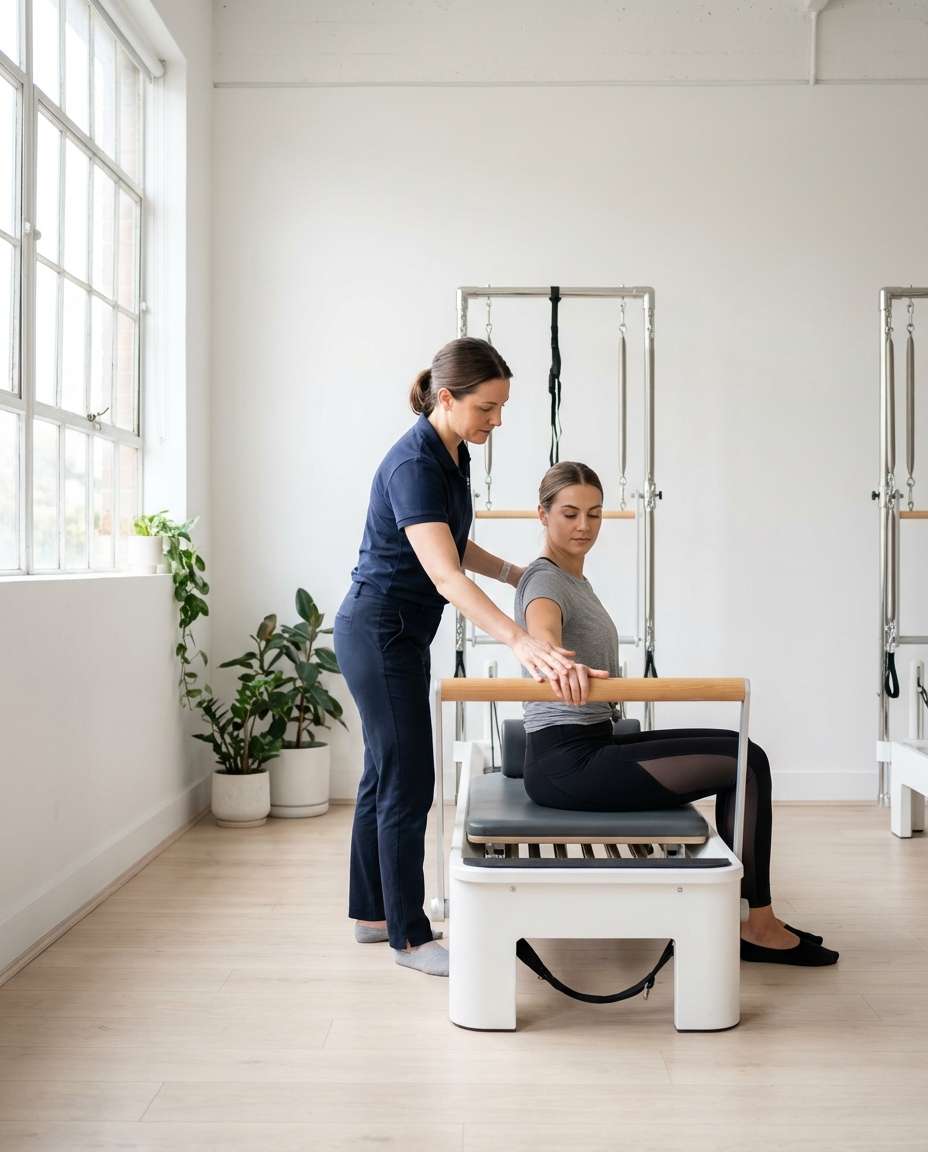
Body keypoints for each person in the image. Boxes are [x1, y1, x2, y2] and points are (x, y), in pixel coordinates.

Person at [515, 460, 838, 966]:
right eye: (571, 513)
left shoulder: (571, 579)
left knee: (744, 756)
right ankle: (760, 924)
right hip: (567, 764)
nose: (584, 526)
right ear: (542, 514)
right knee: (746, 763)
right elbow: (542, 629)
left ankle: (757, 920)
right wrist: (551, 656)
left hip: (593, 741)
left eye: (595, 514)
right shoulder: (546, 584)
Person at [334, 338, 585, 978]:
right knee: (410, 778)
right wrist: (520, 640)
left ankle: (372, 914)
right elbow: (445, 575)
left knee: (384, 772)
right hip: (380, 631)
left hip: (399, 633)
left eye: (500, 409)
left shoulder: (450, 454)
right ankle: (411, 938)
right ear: (447, 399)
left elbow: (455, 540)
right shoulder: (413, 464)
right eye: (487, 408)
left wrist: (511, 570)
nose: (495, 422)